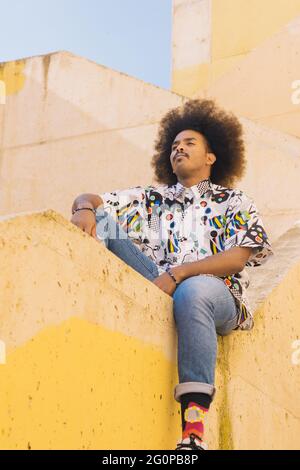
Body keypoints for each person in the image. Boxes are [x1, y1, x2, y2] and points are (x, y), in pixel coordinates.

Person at [71, 99, 273, 450]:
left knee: (193, 290)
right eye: (175, 145)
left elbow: (238, 257)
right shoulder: (153, 199)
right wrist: (84, 208)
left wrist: (180, 274)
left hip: (217, 293)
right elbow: (92, 198)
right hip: (158, 279)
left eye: (190, 143)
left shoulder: (233, 201)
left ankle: (193, 432)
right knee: (103, 221)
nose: (179, 148)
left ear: (211, 156)